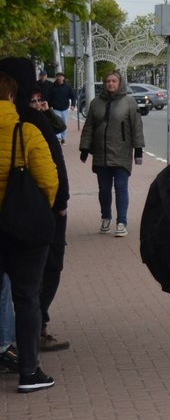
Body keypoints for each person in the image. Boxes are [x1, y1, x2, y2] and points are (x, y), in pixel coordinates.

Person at [0, 57, 71, 353]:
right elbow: (50, 173)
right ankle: (29, 349)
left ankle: (9, 341)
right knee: (33, 285)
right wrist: (57, 203)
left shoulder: (29, 116)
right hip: (32, 213)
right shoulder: (27, 123)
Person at [78, 70, 143, 238]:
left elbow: (136, 127)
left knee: (121, 187)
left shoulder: (129, 102)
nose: (111, 84)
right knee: (104, 189)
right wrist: (84, 148)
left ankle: (121, 222)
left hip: (121, 152)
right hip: (101, 153)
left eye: (114, 81)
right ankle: (106, 217)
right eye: (108, 81)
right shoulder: (96, 103)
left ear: (120, 83)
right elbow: (89, 127)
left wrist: (138, 149)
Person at [47, 71, 75, 144]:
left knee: (64, 124)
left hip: (65, 108)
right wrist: (49, 107)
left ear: (63, 78)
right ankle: (58, 138)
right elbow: (49, 97)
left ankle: (63, 138)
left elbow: (73, 96)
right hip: (56, 108)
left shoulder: (67, 87)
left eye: (60, 76)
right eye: (57, 76)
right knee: (56, 123)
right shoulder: (52, 87)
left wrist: (73, 105)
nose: (59, 78)